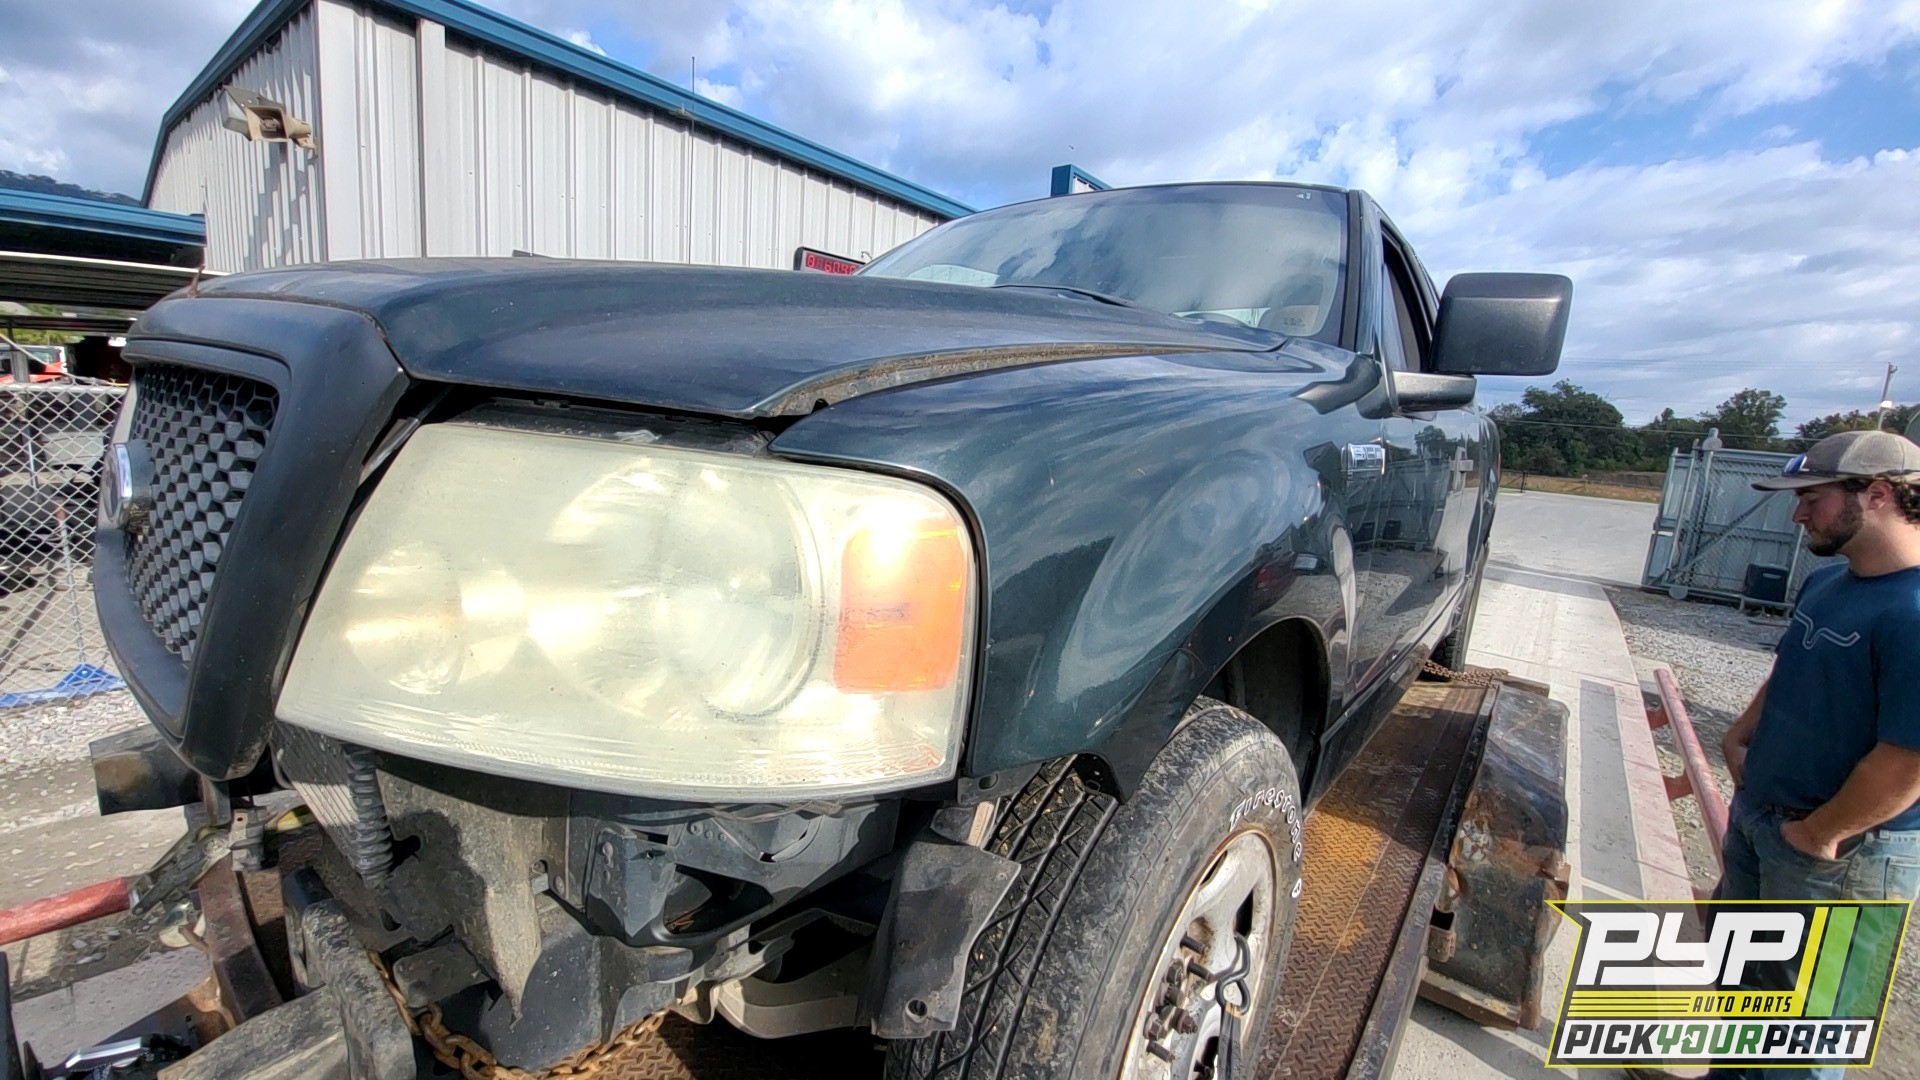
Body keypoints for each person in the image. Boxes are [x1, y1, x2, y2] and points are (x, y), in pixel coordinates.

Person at [1704, 430, 1920, 1080]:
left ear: (1877, 493)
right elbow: (1798, 667)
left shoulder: (1912, 612)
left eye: (1812, 499)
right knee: (1738, 1001)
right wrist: (1739, 735)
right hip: (1762, 822)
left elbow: (1907, 763)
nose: (1797, 515)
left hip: (1839, 858)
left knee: (1800, 1044)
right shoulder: (1829, 583)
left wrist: (1817, 834)